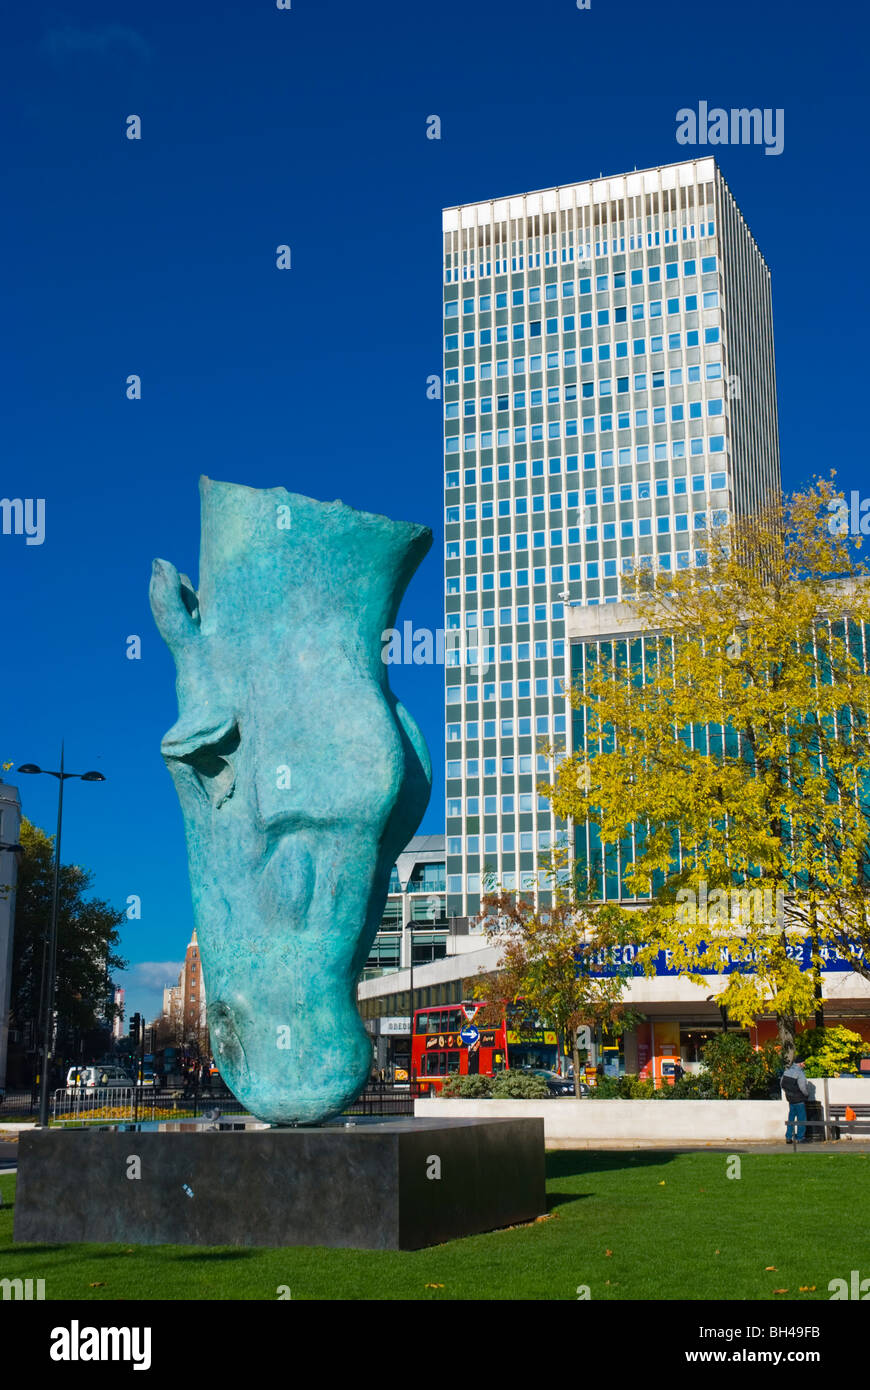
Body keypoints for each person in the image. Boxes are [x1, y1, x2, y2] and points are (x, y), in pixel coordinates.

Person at [781, 1058, 809, 1142]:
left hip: (790, 1098)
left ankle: (788, 1137)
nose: (804, 1065)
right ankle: (800, 1138)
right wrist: (806, 1094)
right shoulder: (800, 1073)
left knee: (791, 1118)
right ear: (800, 1064)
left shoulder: (786, 1071)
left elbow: (781, 1084)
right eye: (804, 1063)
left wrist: (788, 1093)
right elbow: (802, 1087)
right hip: (799, 1099)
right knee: (801, 1118)